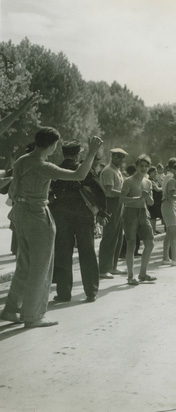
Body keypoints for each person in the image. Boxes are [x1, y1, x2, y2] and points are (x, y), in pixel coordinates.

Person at [0, 128, 102, 327]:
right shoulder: (43, 166)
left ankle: (11, 309)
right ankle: (33, 316)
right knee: (41, 267)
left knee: (25, 264)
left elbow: (12, 190)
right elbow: (79, 175)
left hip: (19, 213)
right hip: (37, 215)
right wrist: (91, 152)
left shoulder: (22, 160)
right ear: (53, 145)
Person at [50, 141, 104, 303]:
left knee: (63, 253)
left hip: (61, 215)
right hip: (83, 215)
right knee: (87, 252)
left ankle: (64, 293)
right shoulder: (84, 168)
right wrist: (101, 211)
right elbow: (99, 190)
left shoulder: (56, 169)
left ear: (64, 152)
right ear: (78, 153)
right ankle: (91, 292)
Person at [120, 154, 157, 285]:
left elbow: (151, 203)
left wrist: (147, 197)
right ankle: (131, 276)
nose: (144, 168)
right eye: (141, 166)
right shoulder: (128, 181)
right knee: (131, 244)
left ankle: (143, 274)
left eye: (146, 166)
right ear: (136, 166)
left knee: (150, 243)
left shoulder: (148, 182)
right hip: (130, 213)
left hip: (143, 212)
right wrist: (139, 198)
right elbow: (122, 199)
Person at [98, 147, 128, 279]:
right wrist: (125, 193)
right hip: (110, 205)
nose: (120, 159)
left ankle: (113, 266)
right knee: (109, 236)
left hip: (119, 204)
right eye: (118, 156)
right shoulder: (108, 171)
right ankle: (103, 268)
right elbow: (109, 191)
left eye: (122, 157)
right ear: (112, 156)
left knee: (118, 236)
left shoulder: (117, 171)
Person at [147, 166, 163, 234]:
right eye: (154, 172)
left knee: (155, 216)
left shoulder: (154, 180)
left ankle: (154, 229)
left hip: (156, 201)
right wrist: (164, 188)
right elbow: (157, 189)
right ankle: (152, 230)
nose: (156, 173)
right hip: (152, 200)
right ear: (150, 173)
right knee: (152, 216)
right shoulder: (150, 181)